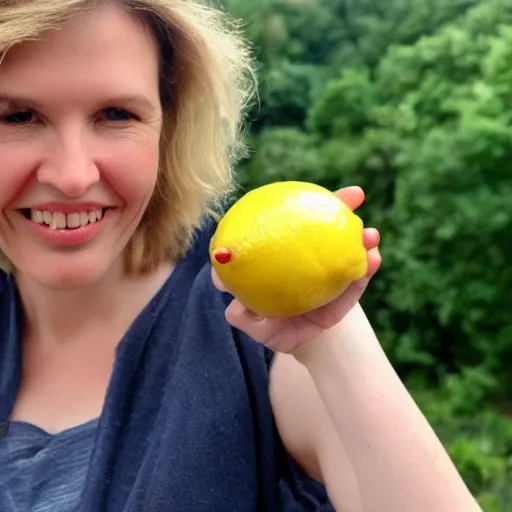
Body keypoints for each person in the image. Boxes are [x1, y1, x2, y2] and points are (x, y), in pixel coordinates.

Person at [0, 1, 482, 511]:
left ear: (170, 125)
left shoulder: (260, 334)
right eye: (17, 116)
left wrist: (332, 343)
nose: (73, 176)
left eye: (116, 114)